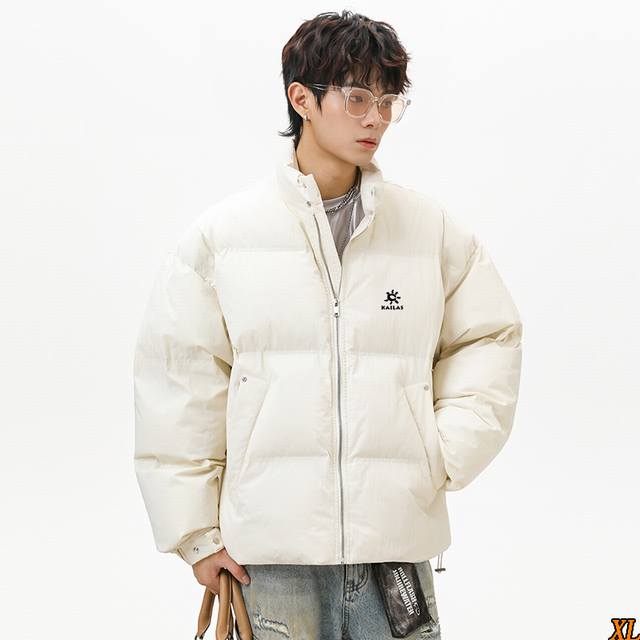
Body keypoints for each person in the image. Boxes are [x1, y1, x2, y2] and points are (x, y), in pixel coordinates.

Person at [133, 10, 523, 639]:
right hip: (271, 560)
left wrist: (440, 454)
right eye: (357, 97)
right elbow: (180, 382)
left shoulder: (429, 231)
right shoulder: (224, 238)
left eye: (388, 101)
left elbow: (489, 339)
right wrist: (196, 536)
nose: (376, 119)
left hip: (395, 550)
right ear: (302, 99)